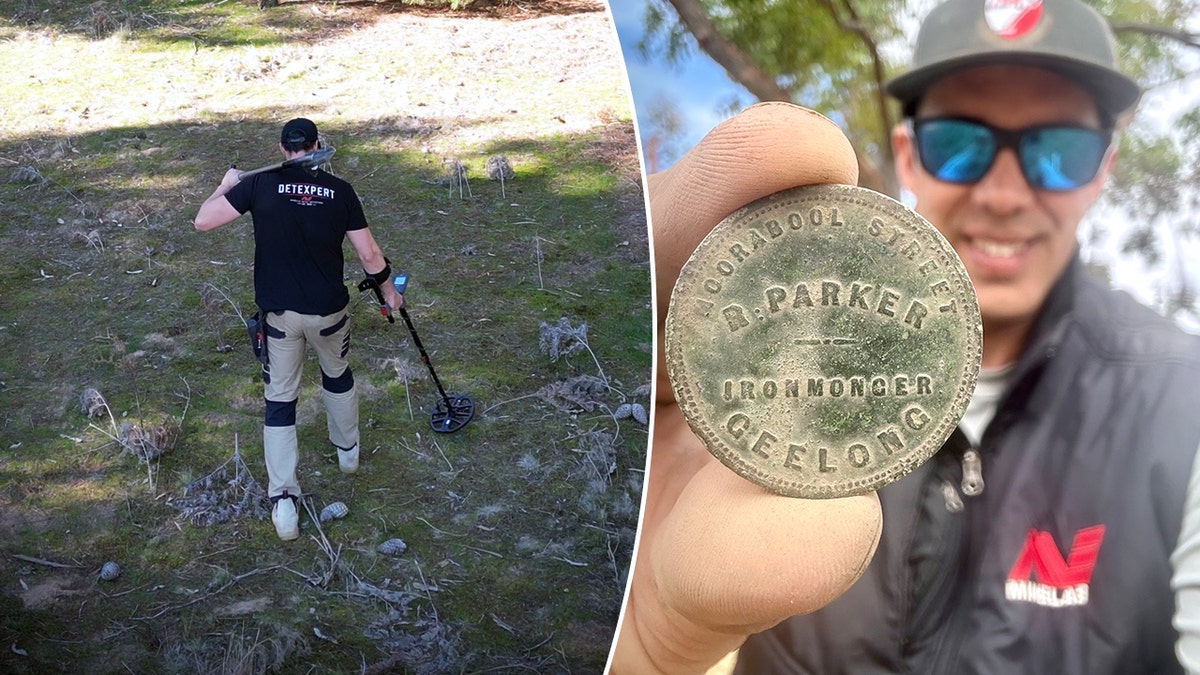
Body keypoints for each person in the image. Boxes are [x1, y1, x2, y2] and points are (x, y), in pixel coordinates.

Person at [610, 0, 1200, 672]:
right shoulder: (748, 371)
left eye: (1058, 151)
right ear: (908, 157)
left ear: (1102, 170)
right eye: (959, 144)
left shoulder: (1186, 401)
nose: (1004, 194)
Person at [194, 118, 404, 542]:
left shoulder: (259, 186)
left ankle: (284, 503)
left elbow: (202, 220)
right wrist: (389, 293)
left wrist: (225, 183)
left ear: (281, 148)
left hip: (279, 318)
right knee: (337, 375)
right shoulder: (340, 191)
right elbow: (369, 253)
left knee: (280, 401)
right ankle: (348, 453)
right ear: (316, 145)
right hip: (329, 313)